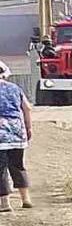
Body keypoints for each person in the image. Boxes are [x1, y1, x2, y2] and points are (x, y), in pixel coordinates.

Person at [0, 61, 34, 212]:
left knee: (1, 169)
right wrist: (28, 128)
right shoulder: (15, 88)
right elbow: (27, 108)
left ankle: (5, 203)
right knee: (18, 166)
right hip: (16, 132)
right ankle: (26, 199)